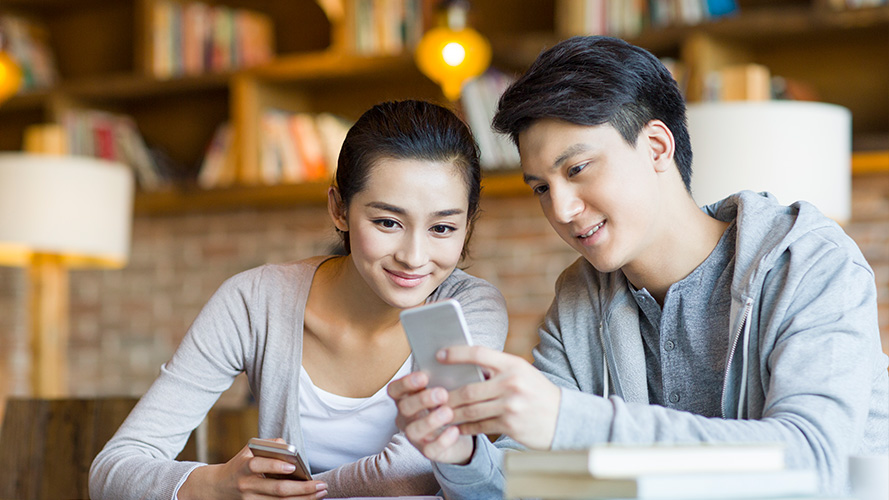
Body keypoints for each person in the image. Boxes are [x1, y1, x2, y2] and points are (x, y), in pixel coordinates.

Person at [389, 36, 889, 498]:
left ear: (656, 147)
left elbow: (818, 462)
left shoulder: (808, 263)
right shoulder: (581, 297)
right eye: (541, 187)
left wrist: (570, 420)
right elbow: (529, 483)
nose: (560, 210)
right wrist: (462, 455)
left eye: (577, 169)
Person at [89, 100, 508, 500]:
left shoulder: (472, 309)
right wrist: (215, 485)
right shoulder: (255, 301)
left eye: (442, 229)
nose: (414, 257)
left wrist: (294, 492)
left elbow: (412, 469)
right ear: (339, 209)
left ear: (467, 225)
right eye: (387, 222)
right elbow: (113, 470)